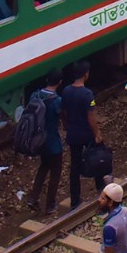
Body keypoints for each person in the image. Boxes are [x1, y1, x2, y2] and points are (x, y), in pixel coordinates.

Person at [61, 62, 103, 205]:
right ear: (86, 74)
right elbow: (90, 116)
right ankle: (100, 186)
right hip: (86, 133)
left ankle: (75, 199)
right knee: (97, 158)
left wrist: (67, 125)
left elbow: (63, 111)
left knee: (75, 166)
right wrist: (97, 133)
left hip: (73, 134)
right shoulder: (87, 94)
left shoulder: (66, 91)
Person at [24, 74, 63, 215]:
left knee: (43, 166)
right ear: (59, 82)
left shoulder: (35, 95)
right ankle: (50, 204)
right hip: (52, 141)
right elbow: (61, 116)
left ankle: (33, 198)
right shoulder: (57, 100)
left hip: (38, 141)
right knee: (55, 171)